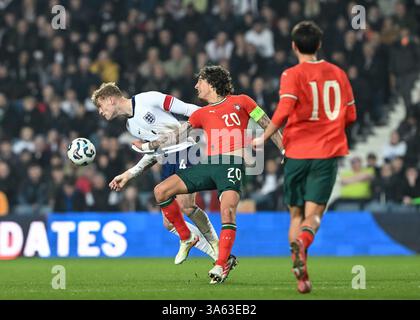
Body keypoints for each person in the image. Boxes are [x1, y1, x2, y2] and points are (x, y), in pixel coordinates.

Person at [134, 65, 283, 284]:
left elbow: (267, 123)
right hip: (208, 164)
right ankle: (186, 236)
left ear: (211, 83)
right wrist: (151, 144)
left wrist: (284, 148)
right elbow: (178, 133)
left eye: (200, 81)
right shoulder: (201, 113)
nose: (196, 86)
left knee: (228, 211)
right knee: (161, 191)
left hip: (231, 163)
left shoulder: (242, 101)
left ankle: (221, 265)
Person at [253, 21, 357, 293]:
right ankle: (304, 243)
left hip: (297, 153)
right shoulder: (339, 74)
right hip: (326, 154)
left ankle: (301, 276)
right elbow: (352, 116)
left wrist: (263, 137)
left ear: (293, 46)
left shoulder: (291, 74)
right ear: (319, 45)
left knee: (295, 216)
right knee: (315, 215)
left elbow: (284, 110)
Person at [90, 83, 220, 264]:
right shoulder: (131, 126)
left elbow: (189, 109)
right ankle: (217, 254)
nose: (100, 111)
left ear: (110, 99)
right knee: (169, 223)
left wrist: (218, 117)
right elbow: (155, 152)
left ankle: (218, 250)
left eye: (100, 105)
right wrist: (129, 174)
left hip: (186, 149)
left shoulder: (148, 99)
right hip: (167, 159)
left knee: (186, 205)